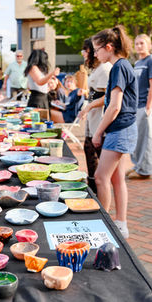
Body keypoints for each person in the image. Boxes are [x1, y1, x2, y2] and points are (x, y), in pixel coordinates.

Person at [92, 25, 138, 239]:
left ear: (109, 47)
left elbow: (115, 106)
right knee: (116, 178)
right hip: (123, 128)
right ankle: (120, 224)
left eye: (97, 49)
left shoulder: (119, 67)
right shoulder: (122, 65)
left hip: (120, 129)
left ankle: (106, 224)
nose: (95, 54)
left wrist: (98, 132)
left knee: (100, 177)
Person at [78, 38, 112, 193]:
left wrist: (90, 105)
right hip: (93, 120)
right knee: (89, 155)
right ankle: (93, 191)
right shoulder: (97, 69)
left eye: (85, 50)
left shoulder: (105, 69)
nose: (83, 53)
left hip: (100, 122)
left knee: (97, 159)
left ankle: (99, 195)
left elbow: (108, 97)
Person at [126, 34, 152, 179]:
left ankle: (145, 171)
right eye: (136, 43)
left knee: (145, 139)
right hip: (135, 106)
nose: (139, 46)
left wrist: (149, 106)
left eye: (142, 43)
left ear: (149, 45)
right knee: (136, 138)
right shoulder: (137, 63)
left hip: (145, 106)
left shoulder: (150, 61)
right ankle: (138, 165)